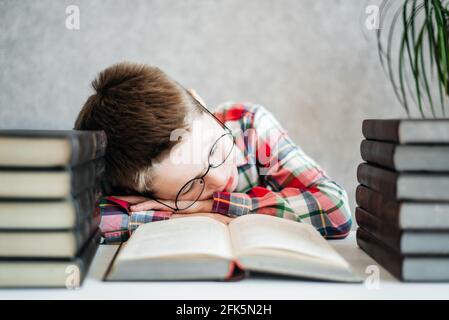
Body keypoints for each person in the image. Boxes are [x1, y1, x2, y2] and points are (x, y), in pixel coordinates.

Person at [74, 62, 352, 243]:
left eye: (215, 150)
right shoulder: (126, 169)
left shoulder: (248, 124)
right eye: (192, 187)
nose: (219, 179)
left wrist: (210, 206)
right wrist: (180, 216)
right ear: (147, 194)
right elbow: (88, 220)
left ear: (200, 102)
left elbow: (336, 209)